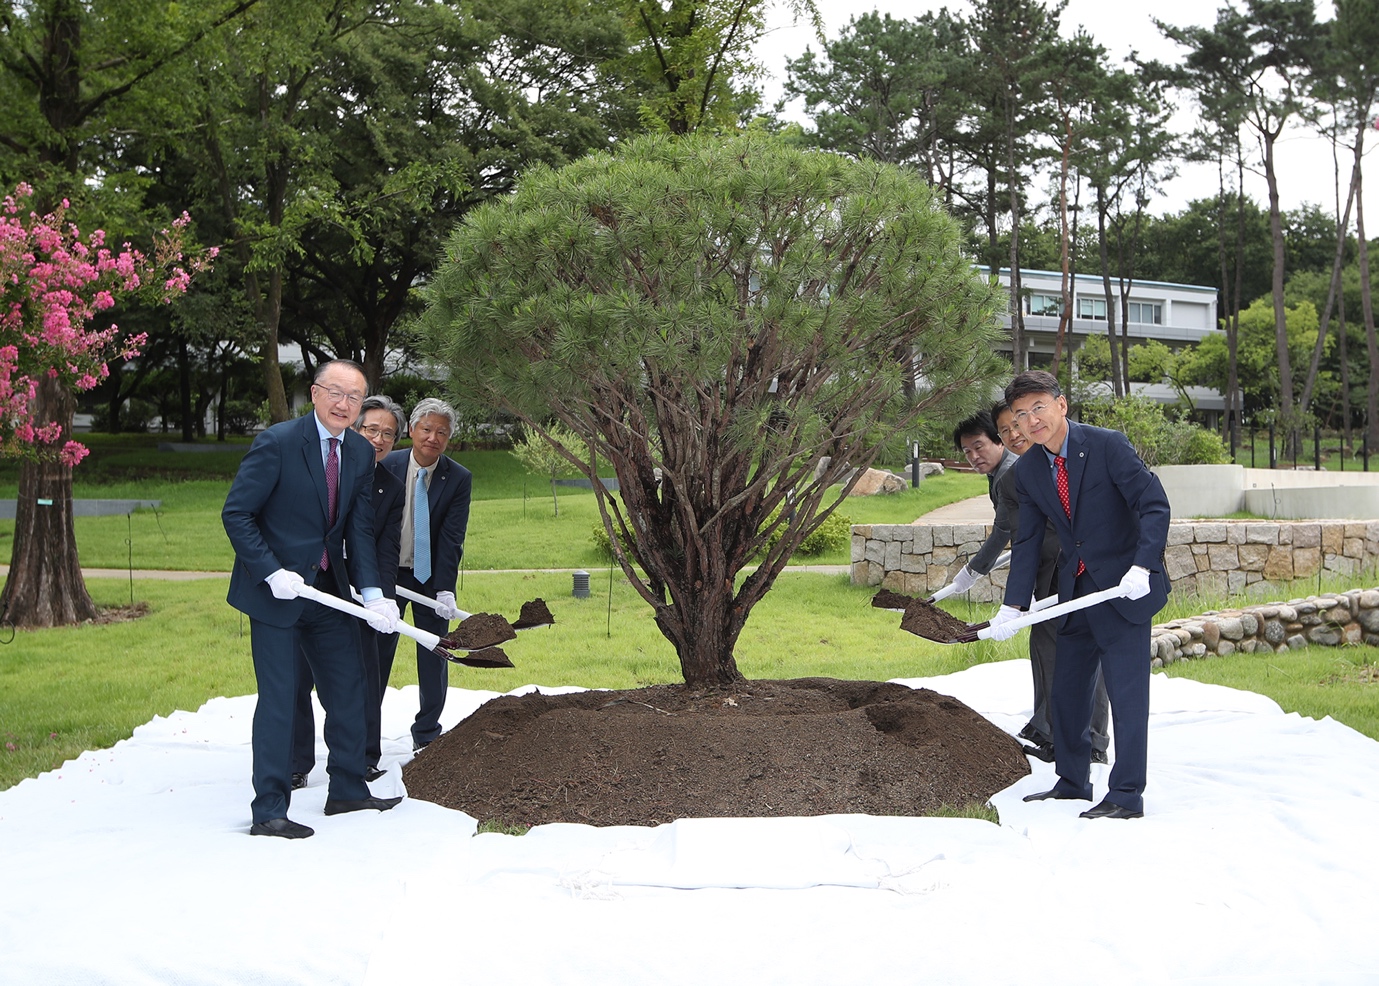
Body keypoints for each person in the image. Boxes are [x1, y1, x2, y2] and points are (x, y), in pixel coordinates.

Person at [222, 359, 403, 839]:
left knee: (349, 688)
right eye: (336, 393)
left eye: (354, 397)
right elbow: (237, 514)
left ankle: (346, 788)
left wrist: (371, 593)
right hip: (276, 593)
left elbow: (358, 528)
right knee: (281, 701)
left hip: (327, 590)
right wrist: (270, 571)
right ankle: (270, 810)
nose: (344, 404)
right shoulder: (278, 443)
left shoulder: (360, 455)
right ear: (316, 393)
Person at [990, 370, 1170, 820]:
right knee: (1067, 692)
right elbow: (1027, 541)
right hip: (1074, 591)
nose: (1031, 421)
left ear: (1061, 405)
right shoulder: (1030, 469)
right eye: (1019, 414)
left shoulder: (1107, 445)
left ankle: (1126, 796)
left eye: (1038, 408)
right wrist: (1012, 606)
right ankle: (1072, 781)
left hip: (1125, 586)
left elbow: (1154, 504)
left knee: (1128, 698)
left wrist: (1142, 566)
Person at [290, 395, 406, 787]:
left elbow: (385, 546)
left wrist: (381, 596)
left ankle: (362, 757)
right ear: (354, 429)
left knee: (364, 675)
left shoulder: (389, 486)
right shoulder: (321, 466)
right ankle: (294, 762)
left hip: (361, 589)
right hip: (311, 583)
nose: (378, 439)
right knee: (298, 674)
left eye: (388, 434)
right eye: (371, 429)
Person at [992, 399, 1110, 765]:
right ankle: (1051, 729)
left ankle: (1091, 741)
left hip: (1092, 571)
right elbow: (1023, 538)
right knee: (1046, 650)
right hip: (1048, 575)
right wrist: (1014, 604)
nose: (1017, 432)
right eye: (1008, 428)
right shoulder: (1018, 476)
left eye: (1022, 421)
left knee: (1092, 656)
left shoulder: (1093, 451)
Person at [377, 397, 472, 752]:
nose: (433, 437)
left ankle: (428, 731)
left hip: (429, 576)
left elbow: (452, 538)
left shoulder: (458, 478)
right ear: (412, 430)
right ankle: (367, 730)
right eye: (427, 429)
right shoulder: (388, 464)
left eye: (442, 433)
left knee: (435, 652)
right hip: (387, 574)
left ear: (448, 439)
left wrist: (445, 589)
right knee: (377, 652)